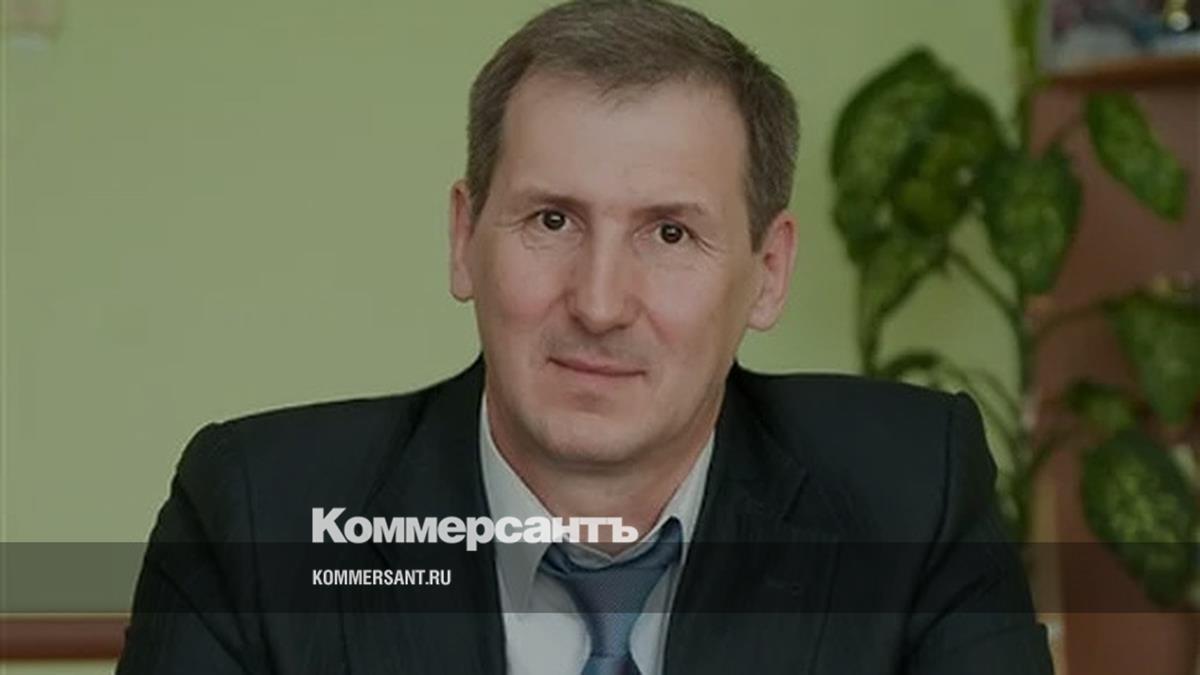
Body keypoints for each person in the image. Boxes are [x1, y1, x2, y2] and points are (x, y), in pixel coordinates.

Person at [117, 1, 1054, 673]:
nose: (600, 304)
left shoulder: (910, 494)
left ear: (768, 272)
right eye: (553, 220)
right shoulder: (258, 515)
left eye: (670, 233)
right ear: (464, 239)